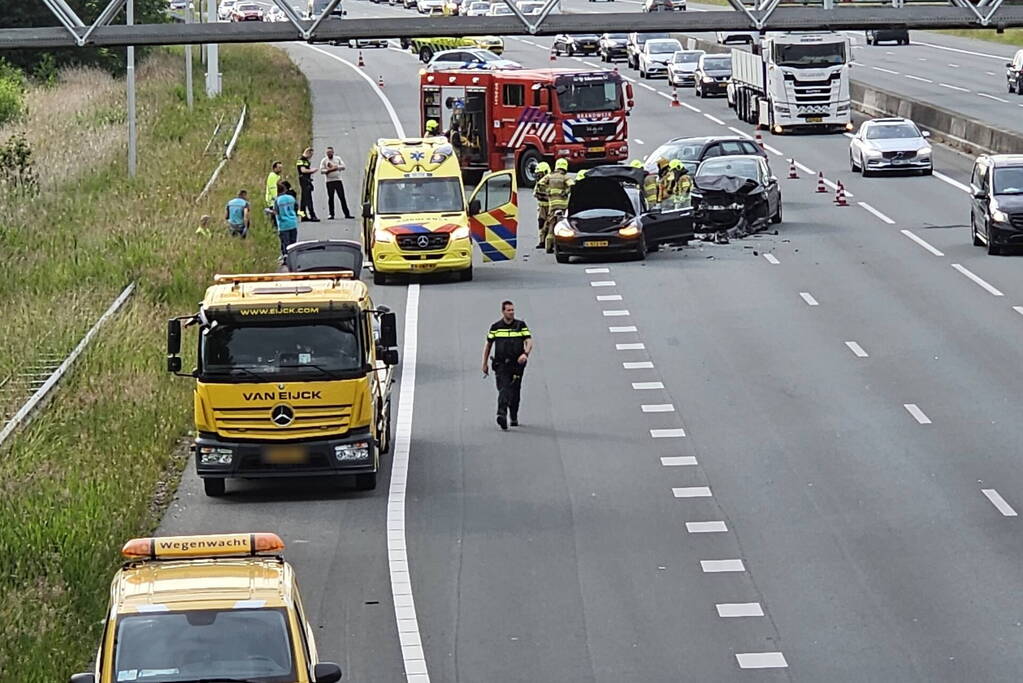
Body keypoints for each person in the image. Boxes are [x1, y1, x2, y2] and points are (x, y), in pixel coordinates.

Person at [481, 300, 533, 431]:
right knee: (504, 388)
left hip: (517, 365)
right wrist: (484, 363)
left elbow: (529, 341)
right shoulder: (496, 327)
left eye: (513, 310)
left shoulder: (520, 325)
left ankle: (513, 415)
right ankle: (502, 414)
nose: (511, 312)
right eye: (509, 310)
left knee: (515, 391)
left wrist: (525, 354)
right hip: (501, 364)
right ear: (503, 311)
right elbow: (488, 345)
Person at [320, 146, 353, 220]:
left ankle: (347, 214)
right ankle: (331, 214)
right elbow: (322, 170)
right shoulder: (324, 160)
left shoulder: (337, 159)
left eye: (330, 152)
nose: (329, 154)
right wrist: (328, 170)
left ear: (333, 152)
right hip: (329, 181)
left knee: (342, 197)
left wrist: (336, 167)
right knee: (331, 198)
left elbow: (343, 166)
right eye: (328, 152)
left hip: (338, 180)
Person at [544, 158, 569, 253]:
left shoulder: (549, 176)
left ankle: (548, 247)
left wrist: (547, 191)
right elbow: (572, 185)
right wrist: (565, 192)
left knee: (551, 225)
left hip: (552, 205)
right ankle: (562, 246)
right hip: (563, 205)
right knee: (563, 226)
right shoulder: (565, 177)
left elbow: (540, 184)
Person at [274, 181, 300, 259]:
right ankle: (294, 257)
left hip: (283, 225)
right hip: (293, 222)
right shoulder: (291, 198)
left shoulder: (277, 200)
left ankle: (286, 258)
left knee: (285, 243)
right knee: (293, 243)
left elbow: (277, 212)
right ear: (285, 190)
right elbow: (296, 208)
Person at [296, 147, 319, 222]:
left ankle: (303, 216)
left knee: (304, 199)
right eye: (311, 155)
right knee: (308, 198)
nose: (311, 157)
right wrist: (312, 170)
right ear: (308, 153)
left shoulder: (306, 160)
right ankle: (312, 215)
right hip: (304, 180)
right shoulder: (301, 160)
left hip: (307, 180)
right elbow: (303, 170)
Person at [533, 161, 551, 249]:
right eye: (537, 175)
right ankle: (542, 241)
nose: (538, 177)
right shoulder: (539, 184)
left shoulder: (551, 182)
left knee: (550, 224)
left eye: (540, 174)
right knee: (541, 223)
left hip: (550, 206)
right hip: (541, 207)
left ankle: (550, 243)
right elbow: (535, 194)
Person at [264, 161, 282, 229]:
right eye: (279, 168)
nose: (280, 169)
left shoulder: (276, 176)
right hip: (272, 201)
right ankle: (275, 229)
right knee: (274, 217)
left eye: (281, 168)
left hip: (274, 200)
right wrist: (276, 198)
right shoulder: (272, 176)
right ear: (274, 168)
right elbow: (273, 189)